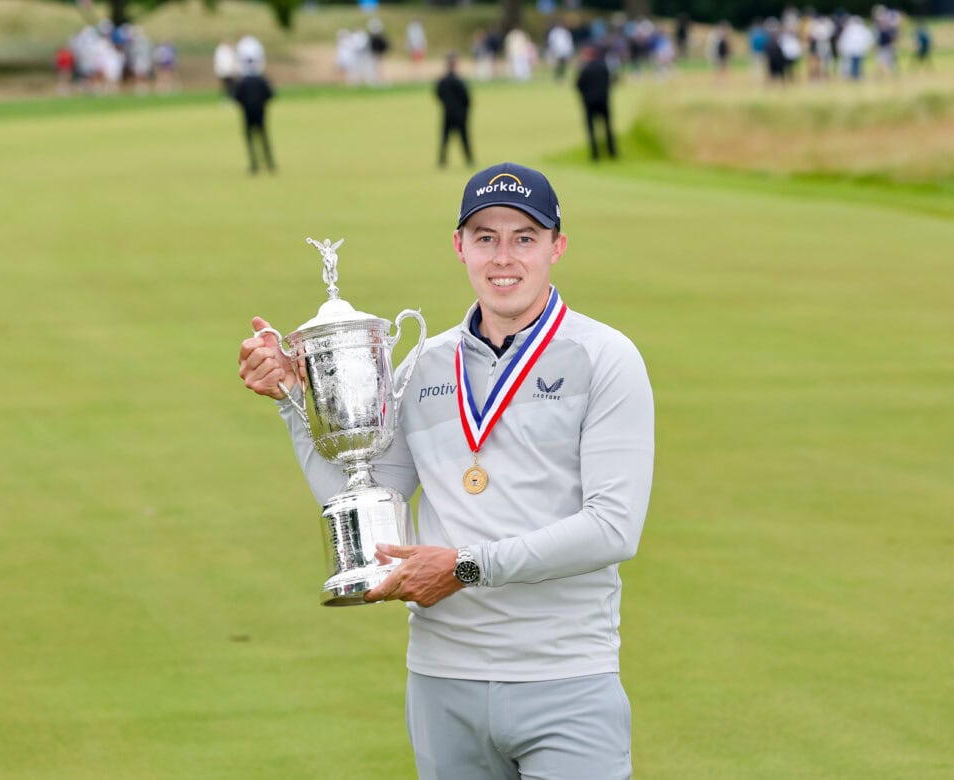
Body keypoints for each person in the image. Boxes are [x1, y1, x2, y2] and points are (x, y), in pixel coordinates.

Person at [238, 161, 654, 778]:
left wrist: (464, 567)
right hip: (442, 684)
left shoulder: (605, 357)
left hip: (565, 679)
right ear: (459, 246)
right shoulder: (422, 366)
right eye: (486, 237)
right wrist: (298, 401)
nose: (503, 258)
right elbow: (364, 502)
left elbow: (613, 529)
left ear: (557, 247)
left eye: (524, 238)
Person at [232, 58, 275, 174]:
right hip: (260, 112)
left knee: (250, 139)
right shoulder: (262, 80)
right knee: (263, 137)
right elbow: (270, 95)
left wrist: (245, 104)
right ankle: (269, 163)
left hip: (248, 113)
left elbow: (236, 97)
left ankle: (254, 164)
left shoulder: (242, 81)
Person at [576, 45, 618, 161]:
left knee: (591, 129)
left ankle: (595, 154)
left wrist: (584, 96)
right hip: (603, 101)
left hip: (589, 102)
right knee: (608, 127)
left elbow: (579, 84)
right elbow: (610, 81)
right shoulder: (603, 67)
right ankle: (612, 152)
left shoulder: (585, 69)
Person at [435, 53, 473, 169]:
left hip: (447, 112)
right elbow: (466, 98)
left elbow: (438, 94)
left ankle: (442, 160)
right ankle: (469, 159)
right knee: (464, 137)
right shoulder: (459, 80)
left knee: (445, 138)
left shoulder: (442, 80)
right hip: (460, 113)